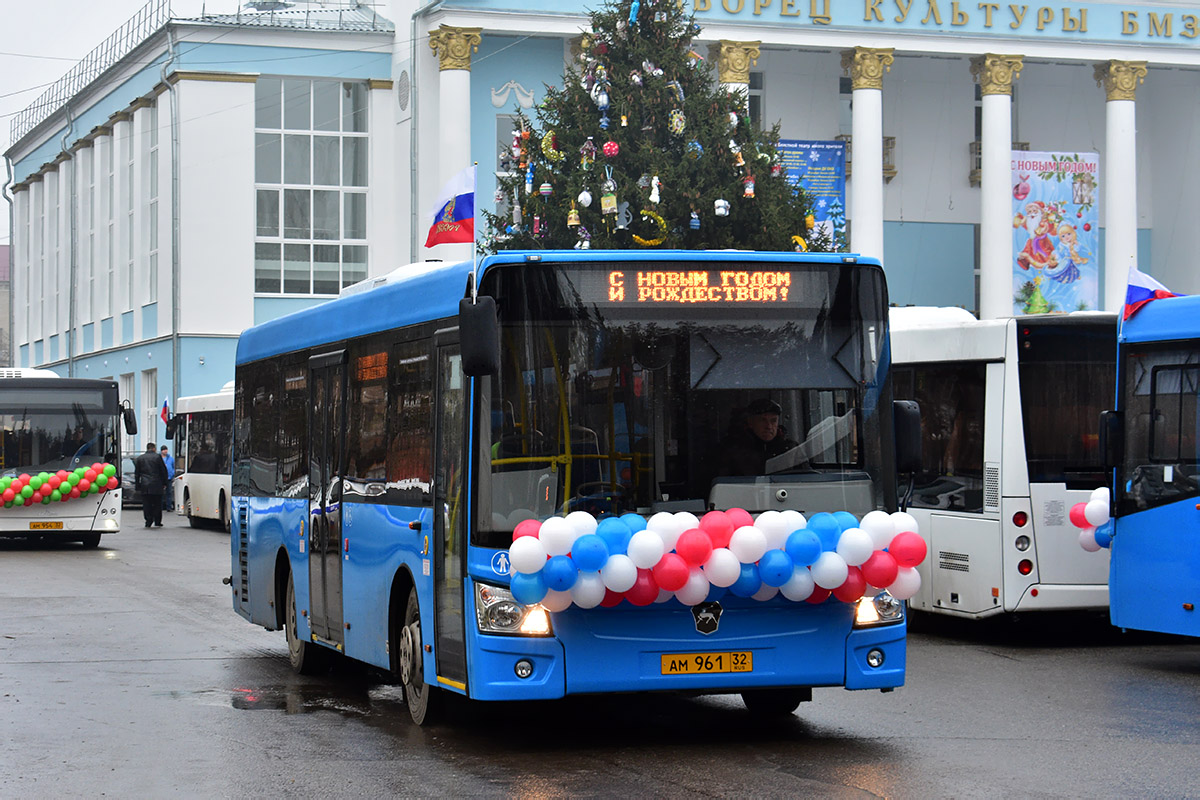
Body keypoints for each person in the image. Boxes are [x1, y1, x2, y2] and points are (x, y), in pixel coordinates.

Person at [718, 399, 799, 477]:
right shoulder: (732, 450)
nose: (769, 426)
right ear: (750, 422)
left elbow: (805, 482)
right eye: (763, 420)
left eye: (773, 421)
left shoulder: (791, 450)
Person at [135, 442, 170, 528]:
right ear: (154, 448)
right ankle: (157, 521)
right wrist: (165, 483)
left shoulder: (140, 458)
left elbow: (137, 473)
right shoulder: (158, 457)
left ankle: (148, 520)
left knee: (147, 504)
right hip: (156, 484)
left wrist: (137, 485)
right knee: (157, 503)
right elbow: (163, 470)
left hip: (145, 484)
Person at [160, 445, 176, 512]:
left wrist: (172, 474)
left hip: (169, 478)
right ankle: (160, 507)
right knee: (160, 493)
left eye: (166, 449)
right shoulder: (159, 458)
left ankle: (168, 507)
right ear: (161, 451)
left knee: (169, 493)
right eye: (164, 450)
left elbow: (173, 467)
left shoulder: (171, 458)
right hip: (161, 478)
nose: (165, 451)